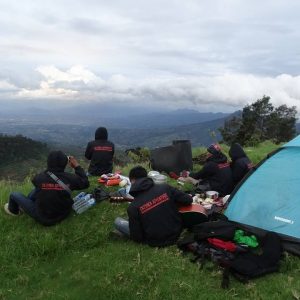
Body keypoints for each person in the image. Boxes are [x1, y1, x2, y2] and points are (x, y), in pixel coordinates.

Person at [4, 151, 89, 226]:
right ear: (65, 164)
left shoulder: (39, 178)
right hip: (64, 213)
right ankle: (25, 204)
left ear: (48, 162)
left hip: (43, 217)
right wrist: (76, 166)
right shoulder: (71, 178)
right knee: (39, 189)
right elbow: (86, 183)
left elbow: (38, 181)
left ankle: (14, 211)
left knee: (14, 194)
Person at [113, 166, 193, 247]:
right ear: (146, 177)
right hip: (177, 232)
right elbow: (188, 199)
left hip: (155, 241)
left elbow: (137, 237)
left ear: (132, 181)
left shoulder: (133, 207)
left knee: (118, 221)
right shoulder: (165, 187)